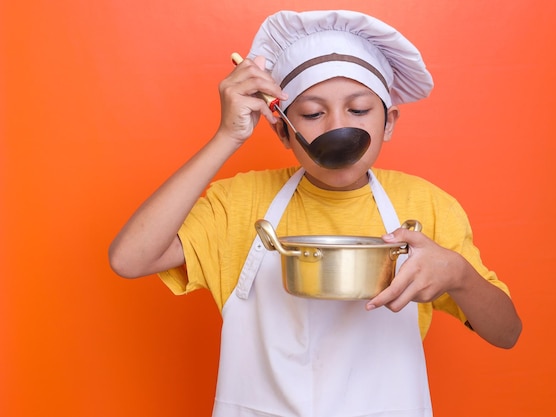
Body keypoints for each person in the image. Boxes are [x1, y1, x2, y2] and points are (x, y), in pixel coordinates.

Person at [109, 9, 522, 417]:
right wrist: (227, 136)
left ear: (389, 122)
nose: (336, 128)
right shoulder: (239, 202)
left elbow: (506, 333)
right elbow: (129, 259)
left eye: (358, 110)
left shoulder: (427, 206)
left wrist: (458, 274)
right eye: (311, 114)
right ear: (283, 130)